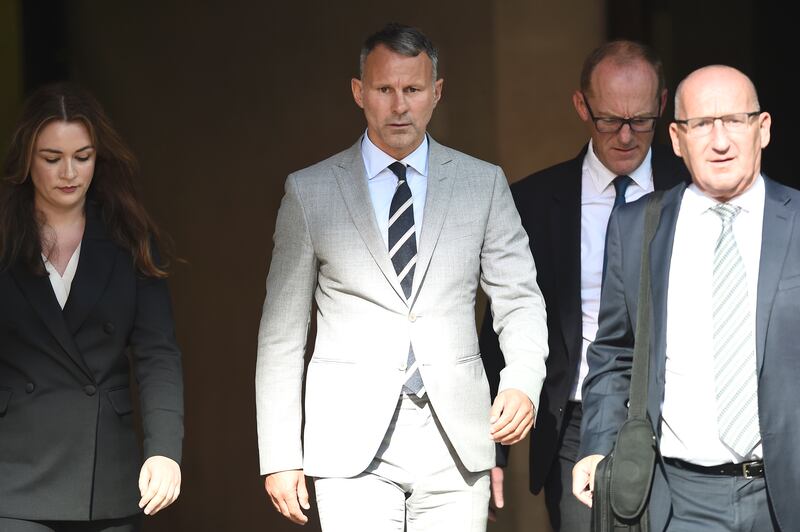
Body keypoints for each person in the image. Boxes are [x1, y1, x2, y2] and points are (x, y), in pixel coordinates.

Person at [256, 23, 548, 531]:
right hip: (351, 444)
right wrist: (280, 453)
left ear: (436, 93)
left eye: (412, 90)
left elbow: (519, 297)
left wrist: (522, 381)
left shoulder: (483, 184)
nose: (399, 106)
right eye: (384, 89)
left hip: (455, 438)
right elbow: (281, 334)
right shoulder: (310, 192)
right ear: (358, 92)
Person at [573, 64, 799, 531]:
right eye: (702, 125)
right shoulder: (638, 227)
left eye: (735, 121)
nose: (720, 141)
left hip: (787, 495)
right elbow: (615, 352)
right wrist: (597, 444)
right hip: (678, 501)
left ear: (764, 129)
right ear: (676, 139)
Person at [478, 40, 688, 530]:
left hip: (675, 419)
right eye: (609, 119)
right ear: (581, 106)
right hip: (573, 423)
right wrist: (490, 451)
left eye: (640, 120)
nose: (626, 135)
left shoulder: (690, 192)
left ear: (661, 106)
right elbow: (502, 328)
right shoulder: (531, 202)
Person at [0, 83, 184, 531]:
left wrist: (164, 451)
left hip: (106, 477)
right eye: (51, 158)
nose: (69, 172)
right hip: (14, 472)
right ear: (28, 159)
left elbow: (157, 355)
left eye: (82, 157)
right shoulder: (4, 238)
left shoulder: (131, 239)